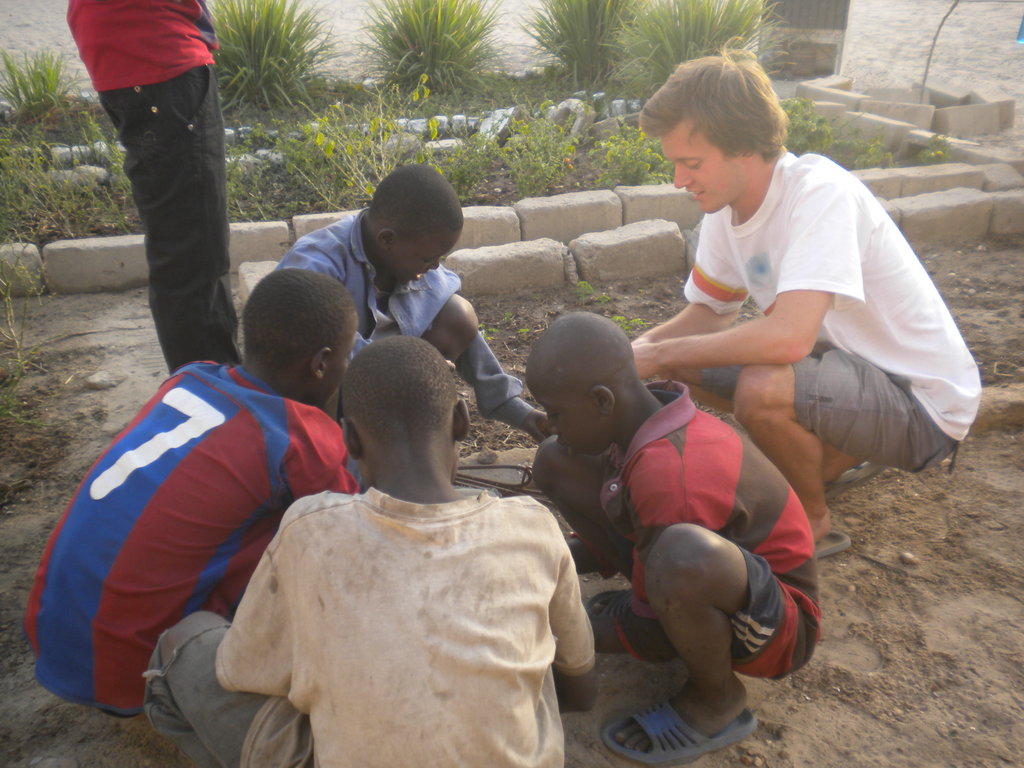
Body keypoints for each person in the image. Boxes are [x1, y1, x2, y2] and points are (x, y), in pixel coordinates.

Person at [143, 335, 597, 768]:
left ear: (350, 440)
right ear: (461, 420)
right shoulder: (532, 526)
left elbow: (243, 670)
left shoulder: (308, 529)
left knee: (184, 641)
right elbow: (581, 692)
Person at [629, 51, 981, 557]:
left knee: (761, 388)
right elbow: (709, 314)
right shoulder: (724, 214)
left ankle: (809, 521)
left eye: (692, 162)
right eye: (675, 164)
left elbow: (790, 337)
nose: (679, 180)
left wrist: (659, 355)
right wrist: (629, 353)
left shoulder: (819, 195)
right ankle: (820, 465)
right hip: (847, 376)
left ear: (744, 148)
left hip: (921, 402)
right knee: (683, 369)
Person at [24, 269, 359, 716]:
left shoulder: (188, 379)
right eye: (346, 357)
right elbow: (355, 531)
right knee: (312, 535)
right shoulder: (297, 438)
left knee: (223, 512)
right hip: (133, 672)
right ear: (321, 364)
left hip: (51, 632)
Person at [527, 312, 819, 765]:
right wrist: (538, 556)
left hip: (776, 626)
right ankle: (650, 594)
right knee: (555, 460)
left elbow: (655, 639)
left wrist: (543, 634)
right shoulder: (636, 422)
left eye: (557, 412)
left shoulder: (671, 473)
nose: (550, 423)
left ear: (603, 401)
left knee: (680, 559)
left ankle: (716, 699)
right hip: (711, 574)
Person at [278, 163, 549, 440]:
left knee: (457, 314)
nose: (435, 266)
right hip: (322, 390)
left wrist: (516, 410)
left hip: (382, 379)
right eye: (428, 258)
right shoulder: (316, 264)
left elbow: (464, 332)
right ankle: (344, 454)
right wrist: (409, 369)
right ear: (387, 240)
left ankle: (399, 435)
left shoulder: (409, 257)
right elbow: (319, 353)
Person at [67, 0, 240, 372]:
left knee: (185, 245)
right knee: (192, 252)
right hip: (158, 57)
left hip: (128, 53)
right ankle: (212, 402)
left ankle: (210, 390)